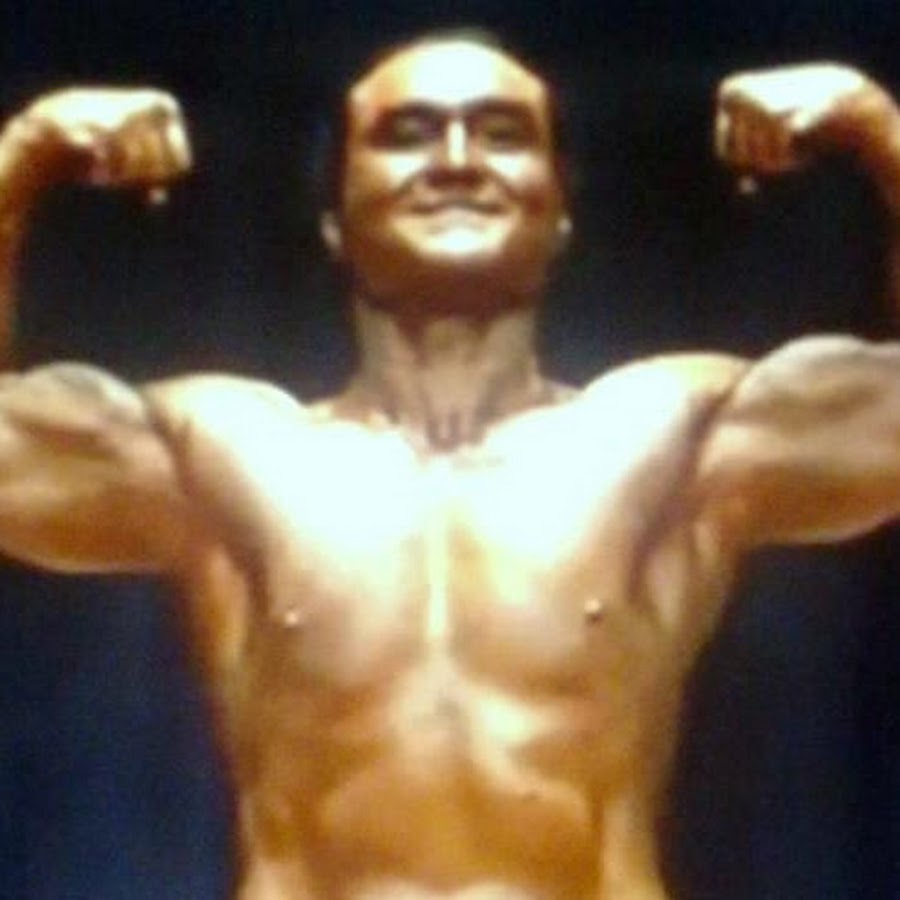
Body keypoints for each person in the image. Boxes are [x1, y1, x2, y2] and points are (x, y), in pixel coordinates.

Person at [1, 31, 899, 900]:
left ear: (560, 212)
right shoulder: (224, 454)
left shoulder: (668, 440)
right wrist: (22, 155)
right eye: (408, 135)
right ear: (334, 220)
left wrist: (878, 128)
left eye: (503, 134)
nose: (459, 162)